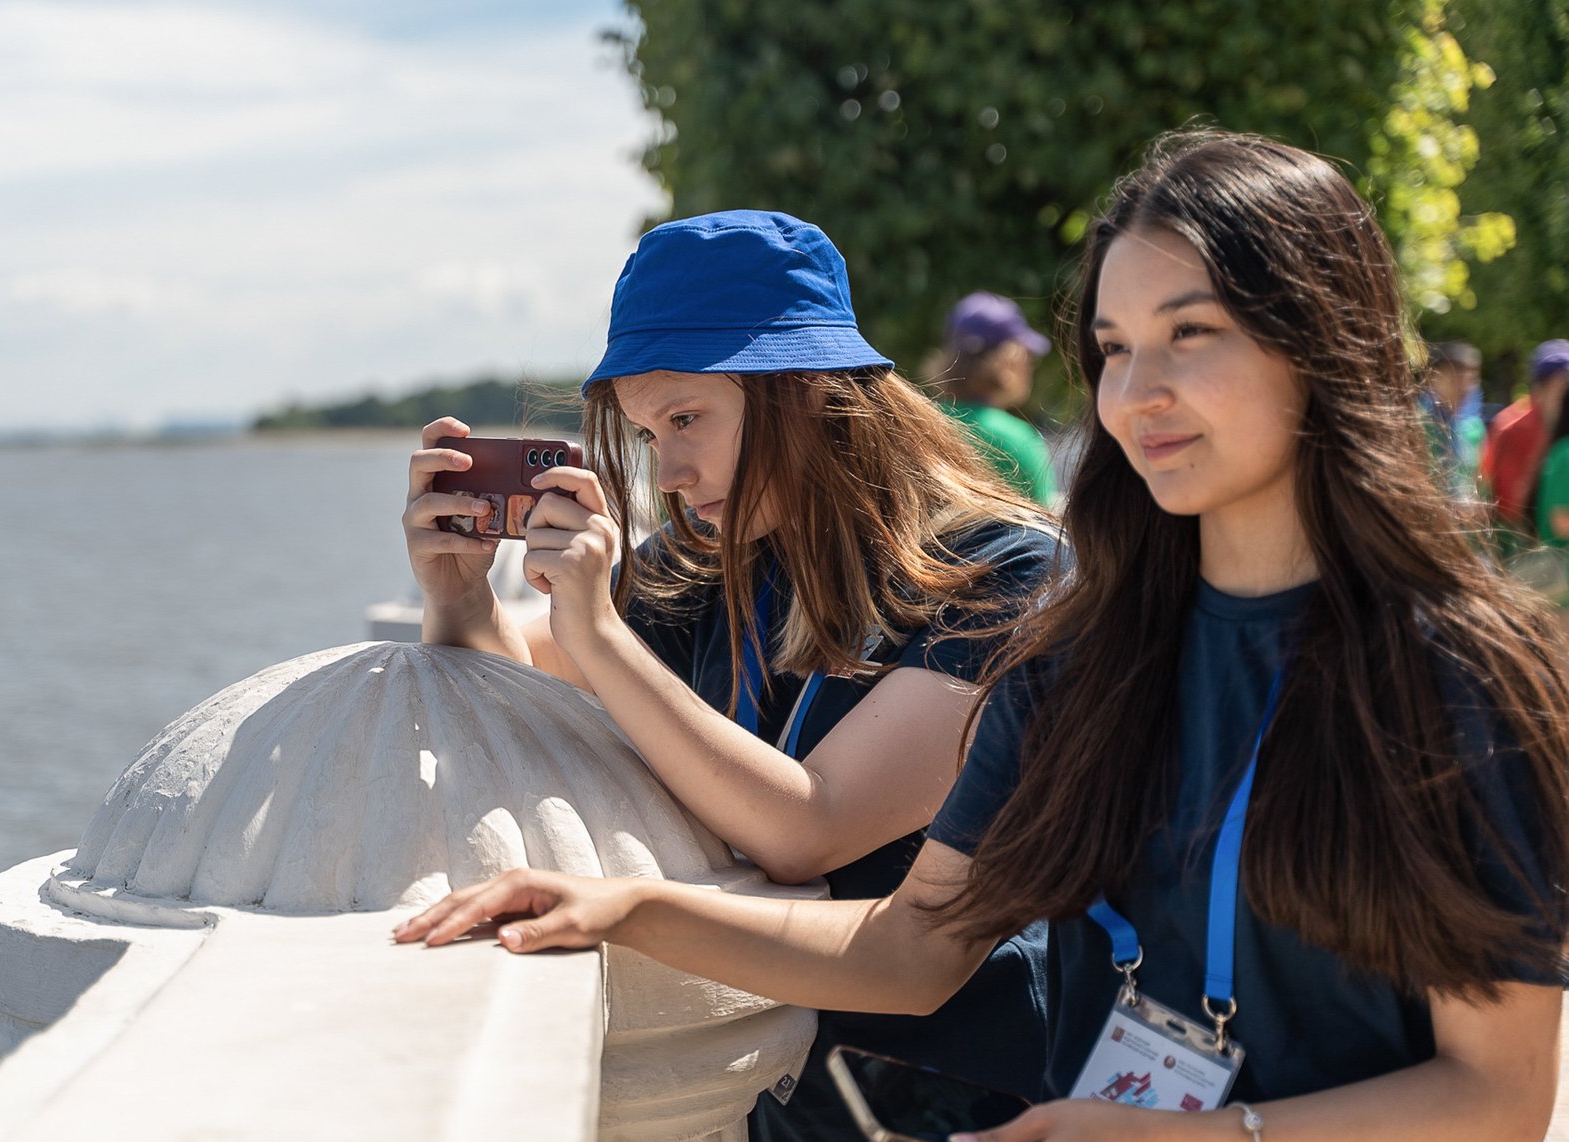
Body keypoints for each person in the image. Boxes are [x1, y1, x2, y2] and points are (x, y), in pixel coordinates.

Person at [399, 133, 1569, 1141]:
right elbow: (914, 945)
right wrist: (624, 904)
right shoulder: (1078, 648)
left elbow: (1502, 1096)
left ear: (1319, 348)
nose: (1134, 392)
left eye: (1188, 332)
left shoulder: (1460, 675)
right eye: (1110, 348)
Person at [401, 209, 1057, 1138]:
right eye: (645, 433)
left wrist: (596, 627)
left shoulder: (1005, 570)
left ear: (809, 389)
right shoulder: (707, 555)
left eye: (687, 419)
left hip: (978, 1095)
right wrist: (460, 600)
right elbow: (522, 690)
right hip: (785, 1091)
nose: (667, 471)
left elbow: (808, 827)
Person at [933, 293, 1059, 507]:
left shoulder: (922, 423)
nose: (1030, 366)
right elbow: (1048, 528)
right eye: (1028, 356)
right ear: (1008, 360)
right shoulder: (1018, 440)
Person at [1497, 340, 1569, 539]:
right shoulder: (1512, 430)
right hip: (1522, 545)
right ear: (1539, 392)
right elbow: (1509, 505)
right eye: (1561, 389)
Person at [1420, 340, 1487, 501]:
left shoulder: (1474, 429)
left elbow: (1479, 479)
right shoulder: (1417, 422)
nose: (1463, 388)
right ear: (1432, 378)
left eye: (1470, 380)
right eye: (1454, 378)